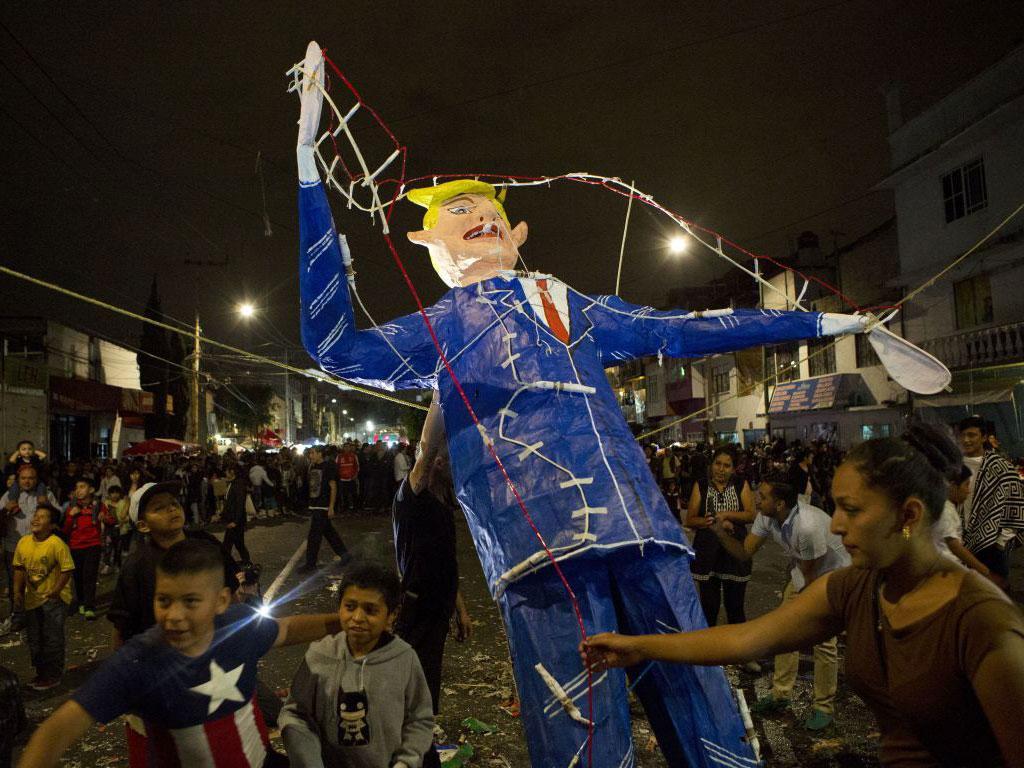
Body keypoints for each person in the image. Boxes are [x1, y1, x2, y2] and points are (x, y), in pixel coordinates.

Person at [292, 43, 949, 766]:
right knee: (583, 732)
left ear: (516, 235)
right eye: (456, 212)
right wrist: (307, 171)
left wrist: (830, 321)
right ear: (428, 245)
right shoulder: (442, 324)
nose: (474, 215)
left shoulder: (569, 303)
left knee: (704, 706)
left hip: (643, 528)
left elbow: (685, 330)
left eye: (486, 208)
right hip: (538, 553)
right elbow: (334, 347)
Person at [583, 423, 1024, 767]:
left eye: (851, 511)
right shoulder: (857, 587)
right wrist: (640, 646)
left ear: (908, 515)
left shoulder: (982, 622)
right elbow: (746, 639)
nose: (835, 525)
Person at [18, 539, 343, 768]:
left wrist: (346, 623)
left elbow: (286, 630)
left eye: (190, 602)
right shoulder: (139, 661)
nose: (174, 615)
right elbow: (57, 729)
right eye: (164, 600)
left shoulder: (239, 625)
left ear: (221, 600)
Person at [709, 476, 850, 729]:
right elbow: (744, 553)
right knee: (785, 633)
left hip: (831, 575)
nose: (756, 499)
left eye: (762, 496)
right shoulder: (767, 516)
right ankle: (780, 695)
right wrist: (720, 533)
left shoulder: (806, 526)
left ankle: (823, 707)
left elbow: (811, 581)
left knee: (822, 640)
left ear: (781, 503)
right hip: (802, 572)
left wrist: (803, 616)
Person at [280, 561, 434, 768]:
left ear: (392, 615)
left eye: (371, 610)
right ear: (340, 607)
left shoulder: (403, 659)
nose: (358, 618)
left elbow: (419, 719)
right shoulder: (320, 656)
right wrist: (307, 759)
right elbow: (295, 713)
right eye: (350, 607)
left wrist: (406, 762)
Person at [392, 400, 472, 768]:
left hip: (437, 609)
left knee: (425, 690)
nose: (459, 470)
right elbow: (426, 449)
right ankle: (415, 757)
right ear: (439, 463)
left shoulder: (441, 503)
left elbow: (444, 560)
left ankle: (419, 753)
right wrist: (442, 396)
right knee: (413, 694)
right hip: (416, 608)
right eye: (453, 461)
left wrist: (460, 609)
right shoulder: (413, 496)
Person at [685, 446, 756, 630]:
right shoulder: (701, 484)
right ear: (711, 464)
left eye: (727, 465)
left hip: (734, 551)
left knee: (735, 608)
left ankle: (737, 653)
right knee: (709, 608)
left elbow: (750, 514)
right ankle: (710, 654)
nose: (721, 469)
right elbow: (691, 519)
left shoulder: (741, 484)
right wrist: (713, 522)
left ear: (733, 468)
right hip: (707, 551)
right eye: (718, 463)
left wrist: (726, 515)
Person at [12, 503, 74, 691]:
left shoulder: (56, 544)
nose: (36, 519)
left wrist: (56, 590)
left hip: (54, 600)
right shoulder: (23, 542)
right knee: (35, 639)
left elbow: (66, 569)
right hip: (33, 599)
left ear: (53, 525)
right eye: (36, 515)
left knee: (52, 638)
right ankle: (41, 673)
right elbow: (19, 568)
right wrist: (16, 591)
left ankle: (53, 675)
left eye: (43, 516)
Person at [957, 416, 1024, 587]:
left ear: (984, 437)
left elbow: (1015, 505)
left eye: (972, 435)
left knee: (995, 596)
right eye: (963, 435)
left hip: (992, 545)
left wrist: (1001, 542)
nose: (966, 440)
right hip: (958, 541)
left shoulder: (1002, 468)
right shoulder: (952, 467)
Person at [2, 466, 57, 628]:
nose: (27, 481)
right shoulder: (9, 496)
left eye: (31, 478)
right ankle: (18, 615)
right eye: (24, 478)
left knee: (40, 582)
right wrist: (5, 510)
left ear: (37, 479)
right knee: (15, 584)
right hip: (14, 547)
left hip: (40, 548)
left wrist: (47, 506)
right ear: (18, 480)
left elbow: (58, 516)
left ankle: (39, 614)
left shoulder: (46, 495)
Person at [61, 478, 112, 620]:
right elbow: (65, 529)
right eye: (77, 487)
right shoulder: (71, 506)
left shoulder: (98, 505)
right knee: (77, 577)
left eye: (82, 487)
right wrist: (71, 517)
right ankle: (81, 602)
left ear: (91, 490)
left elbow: (112, 521)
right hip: (75, 546)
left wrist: (105, 518)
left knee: (89, 576)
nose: (79, 490)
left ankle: (90, 606)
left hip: (93, 545)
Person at [298, 446, 349, 574]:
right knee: (328, 532)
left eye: (313, 453)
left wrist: (331, 506)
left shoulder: (329, 466)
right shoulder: (312, 467)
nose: (311, 456)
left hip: (323, 505)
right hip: (315, 504)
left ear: (320, 454)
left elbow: (333, 486)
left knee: (314, 535)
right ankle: (344, 555)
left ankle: (310, 564)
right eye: (310, 453)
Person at [221, 466, 251, 562]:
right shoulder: (232, 484)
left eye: (226, 471)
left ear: (232, 471)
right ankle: (247, 562)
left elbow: (239, 504)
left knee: (227, 545)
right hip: (233, 519)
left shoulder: (238, 485)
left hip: (236, 521)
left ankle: (225, 566)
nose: (225, 473)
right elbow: (229, 502)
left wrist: (235, 521)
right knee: (239, 544)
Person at [336, 442, 360, 514]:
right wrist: (339, 476)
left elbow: (357, 466)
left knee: (354, 494)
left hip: (351, 479)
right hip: (342, 479)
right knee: (344, 494)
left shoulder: (354, 456)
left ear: (350, 448)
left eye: (348, 447)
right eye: (345, 447)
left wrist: (355, 475)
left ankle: (355, 508)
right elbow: (336, 467)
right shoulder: (339, 457)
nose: (346, 448)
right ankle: (345, 508)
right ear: (343, 448)